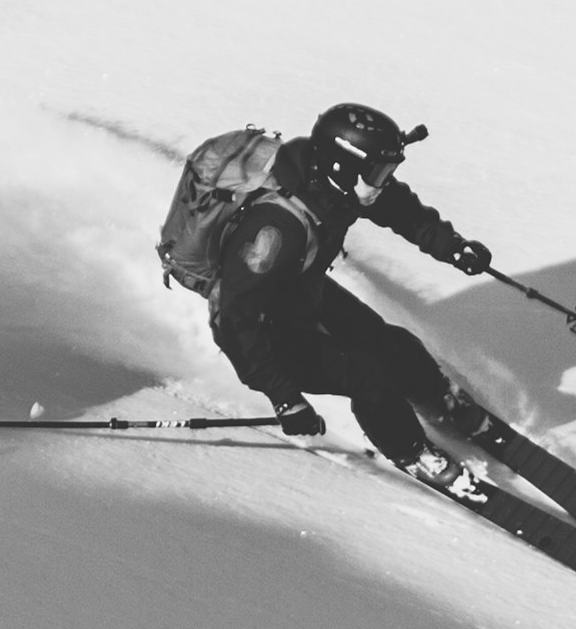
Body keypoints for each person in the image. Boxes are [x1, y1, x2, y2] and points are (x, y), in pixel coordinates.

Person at [196, 100, 506, 478]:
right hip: (265, 330)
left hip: (300, 290)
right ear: (343, 165)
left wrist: (451, 246)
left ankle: (441, 399)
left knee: (393, 345)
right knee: (368, 377)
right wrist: (285, 399)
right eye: (377, 171)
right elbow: (235, 320)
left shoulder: (335, 186)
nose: (383, 180)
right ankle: (412, 452)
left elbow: (399, 208)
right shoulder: (274, 232)